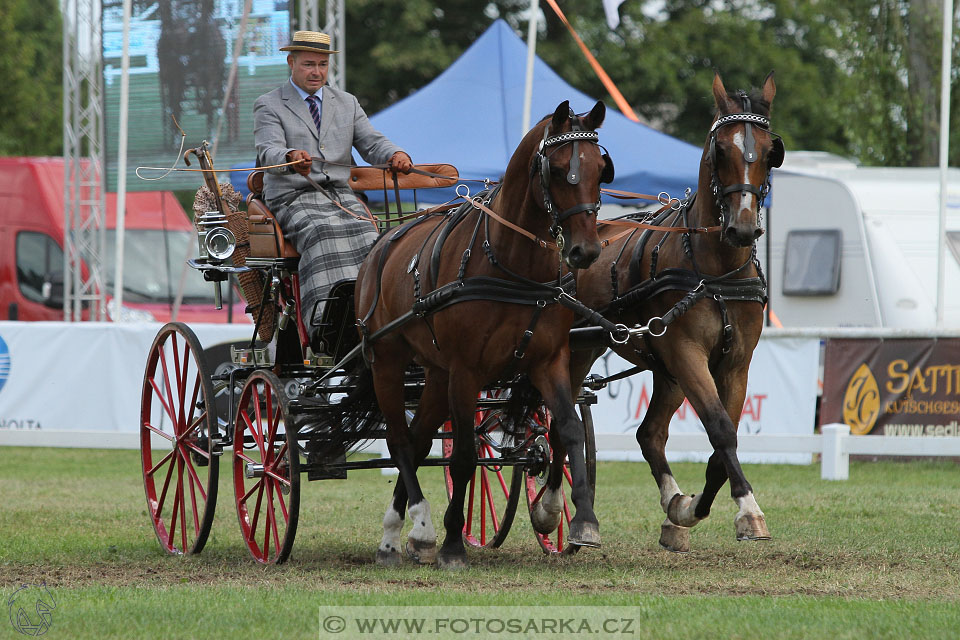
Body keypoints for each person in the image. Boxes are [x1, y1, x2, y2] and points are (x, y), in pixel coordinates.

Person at [253, 30, 413, 352]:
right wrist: (288, 157)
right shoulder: (269, 104)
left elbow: (372, 142)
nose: (316, 72)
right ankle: (325, 324)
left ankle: (373, 318)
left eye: (322, 65)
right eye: (309, 64)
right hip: (291, 197)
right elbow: (267, 149)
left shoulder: (347, 103)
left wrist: (395, 154)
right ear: (291, 63)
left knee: (370, 232)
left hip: (341, 196)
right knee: (323, 231)